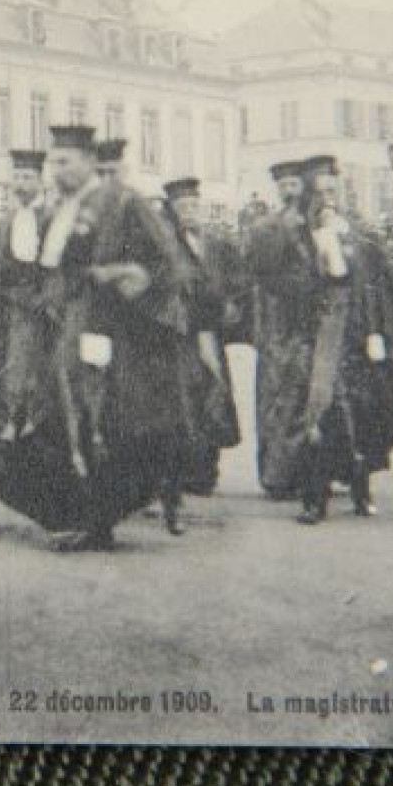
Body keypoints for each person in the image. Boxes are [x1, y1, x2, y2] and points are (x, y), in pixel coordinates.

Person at [0, 125, 201, 551]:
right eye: (53, 162)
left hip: (112, 332)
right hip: (63, 330)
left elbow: (168, 265)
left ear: (89, 162)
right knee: (59, 423)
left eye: (64, 162)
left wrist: (124, 278)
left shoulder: (125, 204)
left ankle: (97, 520)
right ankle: (78, 516)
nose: (55, 171)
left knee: (105, 424)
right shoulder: (56, 212)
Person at [260, 155, 393, 525]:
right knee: (316, 417)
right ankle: (314, 498)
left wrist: (376, 331)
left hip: (355, 339)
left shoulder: (356, 236)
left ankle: (362, 489)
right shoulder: (296, 239)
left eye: (333, 189)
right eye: (320, 191)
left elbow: (372, 289)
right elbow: (277, 287)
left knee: (361, 415)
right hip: (313, 341)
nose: (328, 198)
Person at [158, 177, 242, 530]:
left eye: (194, 206)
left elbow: (234, 281)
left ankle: (208, 467)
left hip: (210, 331)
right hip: (184, 334)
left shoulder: (214, 244)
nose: (190, 213)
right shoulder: (168, 246)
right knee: (188, 397)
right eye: (183, 208)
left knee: (216, 393)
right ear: (173, 213)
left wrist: (229, 304)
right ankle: (188, 470)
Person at [0, 149, 51, 445]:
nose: (21, 183)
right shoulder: (0, 224)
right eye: (16, 176)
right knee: (4, 385)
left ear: (41, 180)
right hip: (5, 317)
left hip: (42, 318)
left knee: (36, 388)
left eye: (28, 177)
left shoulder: (53, 220)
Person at [246, 159, 310, 500]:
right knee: (275, 397)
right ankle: (276, 474)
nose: (289, 191)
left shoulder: (316, 226)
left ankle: (305, 472)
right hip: (278, 325)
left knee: (303, 398)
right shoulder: (267, 227)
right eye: (283, 186)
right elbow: (259, 275)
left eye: (294, 185)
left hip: (306, 324)